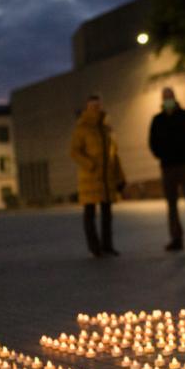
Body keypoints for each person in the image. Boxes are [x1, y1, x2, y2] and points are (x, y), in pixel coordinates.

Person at [70, 94, 127, 258]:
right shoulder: (81, 128)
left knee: (107, 213)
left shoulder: (107, 129)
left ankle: (107, 246)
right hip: (90, 177)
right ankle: (94, 248)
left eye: (97, 105)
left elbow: (114, 154)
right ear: (87, 108)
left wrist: (120, 175)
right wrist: (90, 164)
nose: (95, 108)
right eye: (92, 106)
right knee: (89, 213)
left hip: (106, 177)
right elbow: (74, 151)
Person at [149, 87, 185, 251]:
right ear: (162, 100)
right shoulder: (157, 120)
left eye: (170, 96)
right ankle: (176, 239)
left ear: (174, 97)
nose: (168, 99)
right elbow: (152, 143)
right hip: (167, 167)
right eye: (165, 97)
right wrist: (162, 155)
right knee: (171, 206)